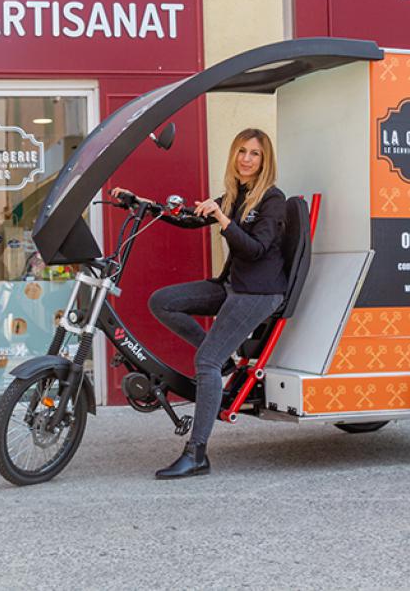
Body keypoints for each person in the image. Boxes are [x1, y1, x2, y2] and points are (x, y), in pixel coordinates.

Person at [111, 127, 287, 479]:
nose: (246, 159)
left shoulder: (271, 199)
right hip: (233, 285)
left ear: (264, 160)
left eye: (254, 153)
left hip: (260, 292)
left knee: (205, 361)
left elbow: (255, 250)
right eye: (241, 151)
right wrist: (143, 204)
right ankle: (223, 361)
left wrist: (222, 219)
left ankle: (197, 453)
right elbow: (190, 219)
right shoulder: (236, 194)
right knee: (163, 301)